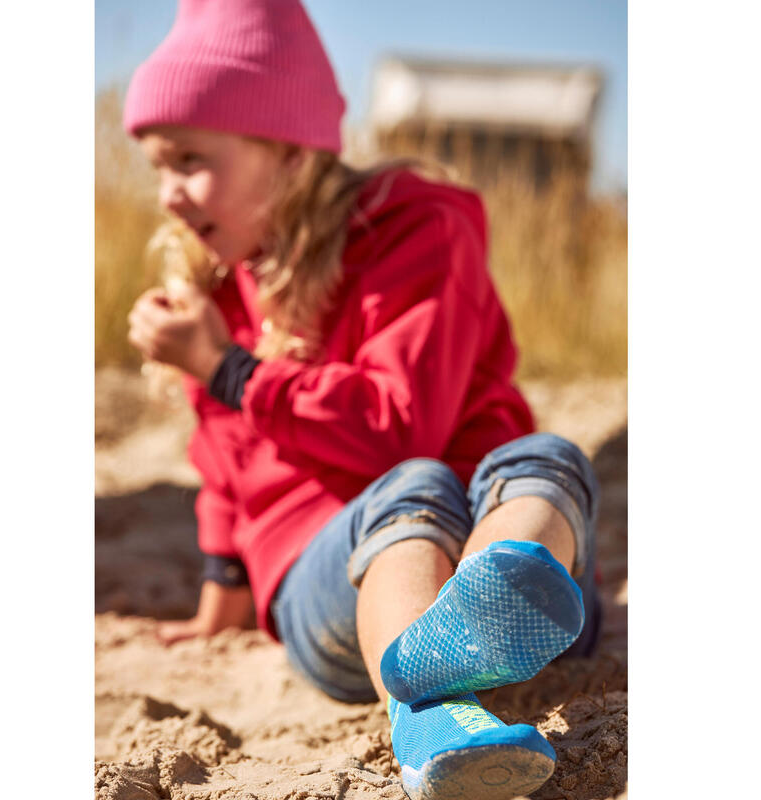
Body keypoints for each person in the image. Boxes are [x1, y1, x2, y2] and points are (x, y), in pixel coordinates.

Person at [122, 1, 601, 798]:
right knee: (411, 490)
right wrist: (222, 596)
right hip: (332, 574)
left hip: (472, 520)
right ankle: (428, 696)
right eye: (157, 168)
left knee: (545, 457)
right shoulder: (208, 291)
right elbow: (223, 462)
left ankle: (496, 606)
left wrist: (232, 369)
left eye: (188, 159)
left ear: (284, 147)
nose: (168, 193)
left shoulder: (417, 227)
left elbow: (398, 422)